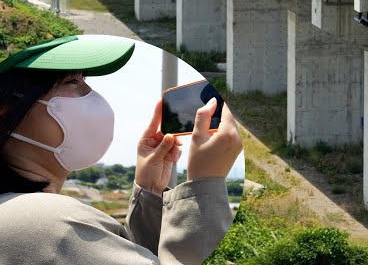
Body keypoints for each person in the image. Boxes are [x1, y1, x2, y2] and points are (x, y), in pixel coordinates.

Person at [0, 36, 243, 264]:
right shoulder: (50, 223)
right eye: (72, 81)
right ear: (6, 110)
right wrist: (204, 186)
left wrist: (149, 196)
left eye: (86, 81)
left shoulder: (17, 213)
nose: (91, 95)